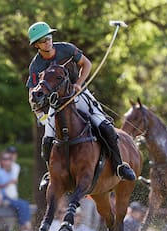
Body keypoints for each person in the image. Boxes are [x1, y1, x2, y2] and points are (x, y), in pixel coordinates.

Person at [26, 21, 136, 189]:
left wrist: (78, 83)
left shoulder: (66, 49)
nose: (48, 42)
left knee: (104, 125)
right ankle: (50, 174)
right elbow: (33, 91)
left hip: (79, 94)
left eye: (48, 37)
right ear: (36, 45)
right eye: (43, 41)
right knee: (47, 140)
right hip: (57, 104)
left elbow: (87, 64)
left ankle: (119, 165)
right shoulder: (36, 65)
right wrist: (39, 113)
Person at [0, 151, 35, 231]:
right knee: (22, 204)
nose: (8, 161)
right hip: (2, 197)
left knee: (24, 203)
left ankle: (25, 226)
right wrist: (8, 183)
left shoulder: (9, 171)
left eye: (9, 159)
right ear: (1, 161)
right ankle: (24, 227)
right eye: (5, 159)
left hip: (9, 198)